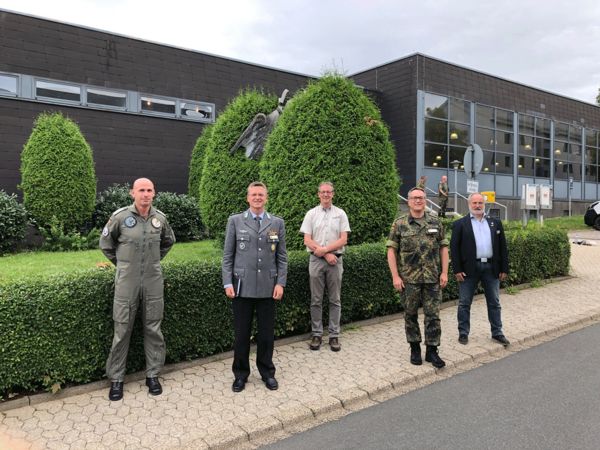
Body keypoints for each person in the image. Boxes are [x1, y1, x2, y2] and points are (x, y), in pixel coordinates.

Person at [100, 178, 175, 401]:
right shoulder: (120, 217)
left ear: (154, 193)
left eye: (149, 190)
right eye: (141, 190)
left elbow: (168, 242)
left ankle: (152, 376)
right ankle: (116, 380)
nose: (145, 194)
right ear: (133, 193)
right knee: (122, 329)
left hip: (153, 280)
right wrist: (124, 265)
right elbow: (106, 245)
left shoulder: (159, 219)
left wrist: (152, 262)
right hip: (127, 281)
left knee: (153, 328)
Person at [222, 181, 287, 393]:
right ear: (247, 198)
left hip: (268, 287)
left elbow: (282, 258)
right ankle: (240, 374)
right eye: (254, 195)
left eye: (261, 195)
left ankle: (267, 372)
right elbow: (228, 256)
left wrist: (280, 283)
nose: (257, 198)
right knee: (241, 334)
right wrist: (227, 282)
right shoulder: (235, 221)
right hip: (242, 287)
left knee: (266, 335)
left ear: (266, 197)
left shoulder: (277, 223)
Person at [386, 187, 449, 368]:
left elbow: (444, 248)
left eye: (421, 198)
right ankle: (414, 348)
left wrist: (444, 272)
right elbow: (391, 251)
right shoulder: (399, 224)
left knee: (433, 316)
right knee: (410, 314)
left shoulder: (435, 222)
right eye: (414, 198)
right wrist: (395, 276)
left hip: (432, 278)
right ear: (408, 201)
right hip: (409, 280)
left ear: (426, 200)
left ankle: (432, 351)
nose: (418, 201)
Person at [450, 192, 510, 346]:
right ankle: (463, 333)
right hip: (469, 269)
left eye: (480, 203)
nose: (477, 206)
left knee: (494, 302)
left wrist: (504, 268)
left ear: (484, 204)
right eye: (474, 203)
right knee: (464, 303)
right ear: (469, 204)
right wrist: (457, 270)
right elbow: (454, 249)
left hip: (491, 268)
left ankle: (497, 332)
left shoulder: (495, 223)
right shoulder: (460, 224)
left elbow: (503, 247)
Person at [300, 181, 351, 352]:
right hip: (316, 260)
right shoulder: (311, 214)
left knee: (335, 300)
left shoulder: (340, 214)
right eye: (323, 192)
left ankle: (334, 335)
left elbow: (343, 239)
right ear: (318, 194)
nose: (326, 195)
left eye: (329, 192)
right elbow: (307, 239)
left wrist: (328, 251)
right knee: (316, 300)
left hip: (335, 261)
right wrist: (324, 253)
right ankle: (317, 334)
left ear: (333, 194)